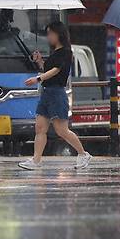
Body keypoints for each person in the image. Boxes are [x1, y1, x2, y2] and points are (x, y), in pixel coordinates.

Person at [18, 21, 92, 170]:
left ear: (59, 34)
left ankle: (83, 154)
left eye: (50, 33)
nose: (48, 36)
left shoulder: (66, 51)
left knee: (61, 130)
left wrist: (38, 78)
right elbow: (48, 68)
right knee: (40, 128)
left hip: (57, 93)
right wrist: (40, 61)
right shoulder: (55, 53)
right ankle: (36, 160)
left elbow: (56, 70)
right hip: (47, 93)